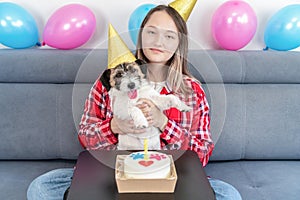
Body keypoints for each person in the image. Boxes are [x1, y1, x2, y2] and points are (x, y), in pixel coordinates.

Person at [27, 4, 242, 200]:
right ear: (141, 37)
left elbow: (201, 154)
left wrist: (164, 124)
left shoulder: (193, 92)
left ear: (179, 44)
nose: (158, 42)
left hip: (170, 178)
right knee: (41, 188)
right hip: (111, 174)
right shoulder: (110, 81)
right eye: (151, 32)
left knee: (230, 195)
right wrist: (114, 126)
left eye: (169, 36)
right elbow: (85, 137)